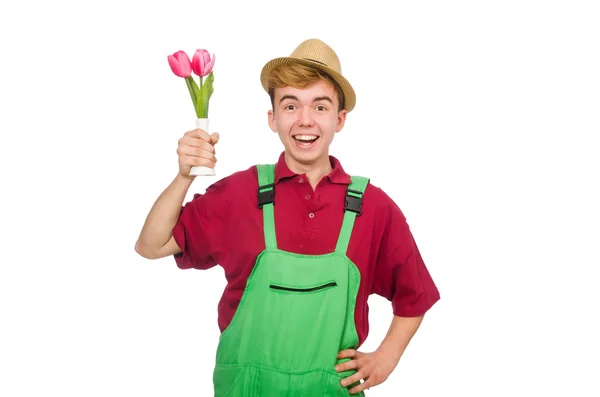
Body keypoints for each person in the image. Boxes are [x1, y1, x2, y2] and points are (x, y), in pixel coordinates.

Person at [135, 38, 440, 396]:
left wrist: (386, 358)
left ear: (340, 119)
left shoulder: (373, 208)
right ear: (273, 118)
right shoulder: (237, 194)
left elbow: (415, 295)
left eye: (320, 107)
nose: (305, 120)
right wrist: (184, 176)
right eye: (291, 105)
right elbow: (150, 245)